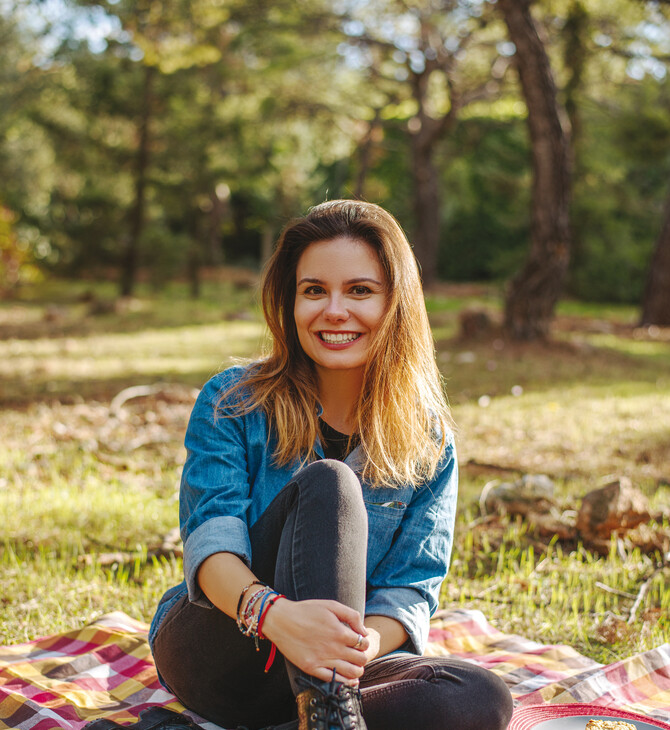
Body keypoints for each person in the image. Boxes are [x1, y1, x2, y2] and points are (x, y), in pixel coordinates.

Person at [149, 200, 513, 730]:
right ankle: (331, 715)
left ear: (396, 304)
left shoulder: (428, 438)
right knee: (329, 484)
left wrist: (352, 646)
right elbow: (212, 545)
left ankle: (322, 712)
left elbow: (411, 587)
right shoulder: (234, 401)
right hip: (227, 643)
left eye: (360, 291)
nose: (334, 311)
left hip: (342, 663)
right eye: (314, 290)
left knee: (479, 698)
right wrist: (278, 617)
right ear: (291, 301)